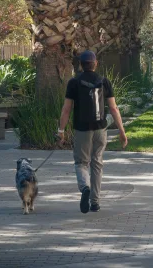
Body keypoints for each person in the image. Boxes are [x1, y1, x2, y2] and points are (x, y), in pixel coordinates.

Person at [57, 50, 128, 214]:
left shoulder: (74, 82)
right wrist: (121, 131)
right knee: (97, 163)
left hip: (82, 129)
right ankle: (95, 202)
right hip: (100, 128)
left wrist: (60, 131)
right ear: (95, 64)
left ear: (80, 65)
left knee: (81, 163)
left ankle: (85, 188)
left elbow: (66, 109)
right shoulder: (104, 81)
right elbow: (113, 108)